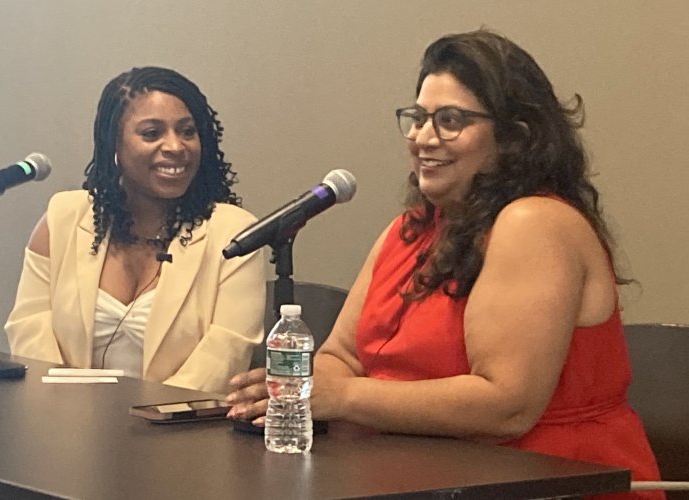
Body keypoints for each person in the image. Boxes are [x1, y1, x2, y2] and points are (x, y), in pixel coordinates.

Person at [227, 30, 663, 498]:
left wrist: (341, 399)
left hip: (545, 480)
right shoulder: (410, 229)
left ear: (515, 136)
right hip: (423, 477)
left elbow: (505, 405)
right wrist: (306, 395)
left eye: (449, 120)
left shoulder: (534, 222)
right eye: (418, 118)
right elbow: (341, 356)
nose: (422, 138)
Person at [5, 67, 266, 395]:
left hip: (181, 432)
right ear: (114, 144)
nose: (175, 146)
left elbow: (224, 354)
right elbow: (29, 333)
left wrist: (149, 422)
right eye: (152, 133)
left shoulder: (234, 234)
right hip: (67, 427)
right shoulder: (62, 219)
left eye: (187, 131)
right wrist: (68, 419)